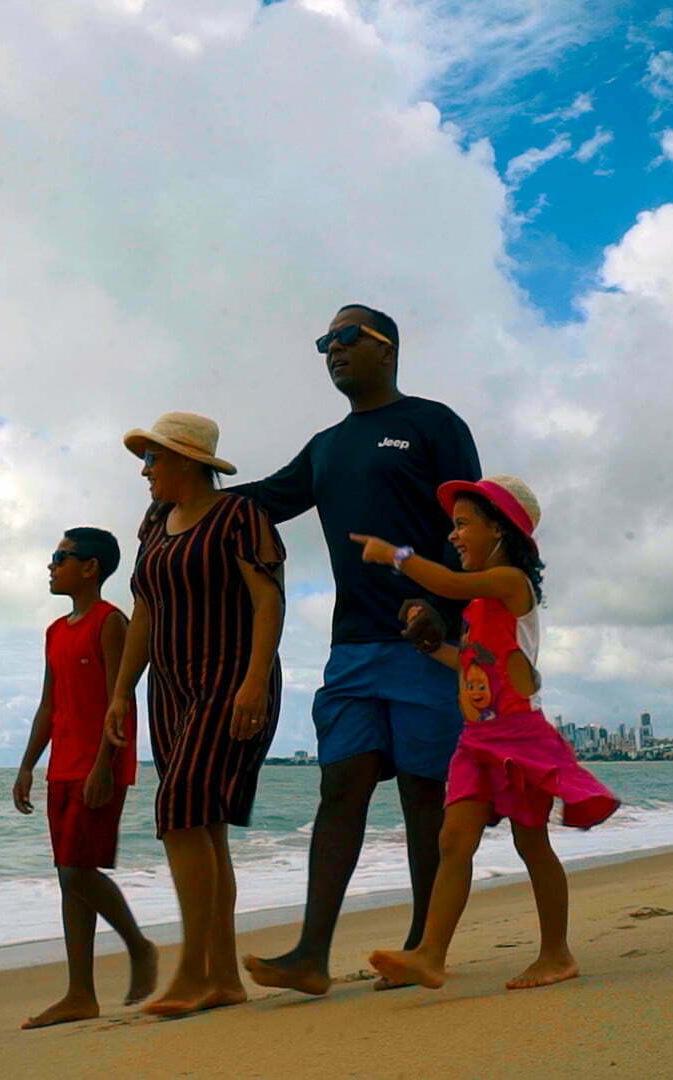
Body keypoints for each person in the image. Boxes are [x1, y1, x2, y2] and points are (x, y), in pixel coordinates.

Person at [233, 305, 481, 996]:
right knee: (339, 786)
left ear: (386, 347)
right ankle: (311, 955)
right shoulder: (325, 447)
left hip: (429, 644)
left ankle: (422, 946)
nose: (332, 351)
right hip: (352, 649)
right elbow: (264, 501)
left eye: (346, 338)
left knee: (423, 793)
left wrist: (447, 607)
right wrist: (193, 498)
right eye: (324, 343)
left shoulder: (432, 424)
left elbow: (471, 520)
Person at [350, 475, 619, 991]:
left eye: (463, 524)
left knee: (531, 842)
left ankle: (557, 953)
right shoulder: (477, 609)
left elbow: (448, 585)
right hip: (475, 741)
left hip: (519, 738)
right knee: (453, 841)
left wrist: (397, 555)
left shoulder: (510, 583)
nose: (453, 536)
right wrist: (432, 648)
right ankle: (430, 954)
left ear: (499, 529)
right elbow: (472, 664)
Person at [104, 412, 286, 1017]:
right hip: (171, 686)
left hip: (232, 678)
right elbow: (145, 610)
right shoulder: (155, 524)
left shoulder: (240, 516)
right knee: (203, 824)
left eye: (153, 459)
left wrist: (256, 682)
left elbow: (268, 598)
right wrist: (121, 692)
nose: (145, 470)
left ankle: (189, 972)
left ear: (187, 461)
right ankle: (223, 980)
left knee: (179, 809)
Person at [11, 527, 157, 1028]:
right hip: (61, 769)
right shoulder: (55, 630)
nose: (51, 566)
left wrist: (104, 766)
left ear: (90, 567)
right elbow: (49, 705)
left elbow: (123, 697)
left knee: (78, 871)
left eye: (60, 557)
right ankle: (80, 993)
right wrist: (28, 764)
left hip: (99, 767)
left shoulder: (110, 622)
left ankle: (140, 947)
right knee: (68, 879)